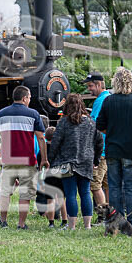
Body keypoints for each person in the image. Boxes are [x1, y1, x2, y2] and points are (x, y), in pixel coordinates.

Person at [96, 67, 132, 234]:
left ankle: (114, 226)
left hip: (113, 150)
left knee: (113, 189)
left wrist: (112, 133)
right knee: (131, 189)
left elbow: (100, 126)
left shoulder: (109, 101)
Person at [0, 85, 47, 229]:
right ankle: (21, 224)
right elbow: (41, 138)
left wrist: (0, 154)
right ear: (24, 98)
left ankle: (3, 221)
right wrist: (44, 159)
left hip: (8, 159)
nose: (29, 100)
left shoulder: (0, 114)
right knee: (25, 194)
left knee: (5, 192)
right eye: (29, 98)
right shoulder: (34, 114)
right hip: (27, 160)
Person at [50, 94, 103, 230]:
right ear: (82, 105)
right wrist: (96, 159)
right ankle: (87, 225)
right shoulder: (91, 122)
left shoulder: (63, 122)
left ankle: (72, 226)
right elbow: (99, 142)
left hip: (66, 162)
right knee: (85, 193)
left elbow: (55, 142)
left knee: (70, 194)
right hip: (86, 161)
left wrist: (51, 160)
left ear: (67, 106)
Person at [84, 72, 110, 211]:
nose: (89, 89)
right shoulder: (109, 97)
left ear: (99, 84)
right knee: (107, 185)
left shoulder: (100, 100)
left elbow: (94, 126)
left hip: (101, 150)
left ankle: (103, 216)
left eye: (91, 86)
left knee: (95, 185)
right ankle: (112, 212)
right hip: (108, 148)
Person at [37, 126, 67, 228]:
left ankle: (51, 222)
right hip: (60, 174)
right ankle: (64, 220)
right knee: (61, 199)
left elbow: (39, 159)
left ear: (46, 137)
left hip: (48, 175)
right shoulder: (61, 148)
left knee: (50, 199)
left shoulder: (43, 148)